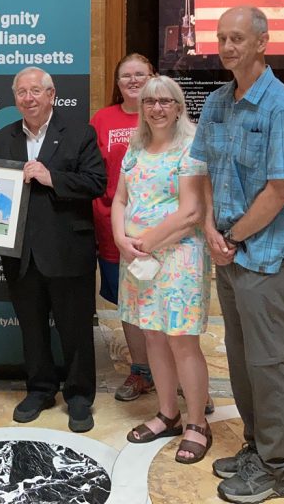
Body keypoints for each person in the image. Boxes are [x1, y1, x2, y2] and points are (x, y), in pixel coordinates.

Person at [191, 7, 284, 503]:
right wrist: (208, 230)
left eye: (238, 38)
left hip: (264, 256)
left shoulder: (280, 107)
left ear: (263, 43)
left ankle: (276, 467)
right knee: (242, 361)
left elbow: (280, 190)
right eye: (222, 38)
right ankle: (254, 445)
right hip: (227, 252)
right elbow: (201, 171)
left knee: (270, 364)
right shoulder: (219, 102)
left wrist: (234, 238)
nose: (227, 46)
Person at [0, 67, 106, 432]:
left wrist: (50, 177)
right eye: (22, 92)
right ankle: (39, 389)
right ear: (15, 98)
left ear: (52, 95)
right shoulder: (1, 138)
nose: (28, 98)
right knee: (32, 328)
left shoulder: (80, 133)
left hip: (68, 250)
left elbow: (96, 183)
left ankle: (80, 396)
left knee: (75, 330)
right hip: (21, 255)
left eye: (36, 91)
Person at [111, 76, 212, 464]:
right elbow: (120, 199)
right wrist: (122, 238)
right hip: (139, 260)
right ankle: (167, 414)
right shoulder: (135, 148)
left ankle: (197, 423)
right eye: (150, 101)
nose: (156, 108)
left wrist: (146, 242)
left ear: (178, 106)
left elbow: (191, 213)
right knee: (153, 336)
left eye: (165, 101)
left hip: (178, 257)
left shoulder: (191, 147)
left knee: (181, 340)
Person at [90, 53, 156, 401]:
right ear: (117, 84)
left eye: (140, 74)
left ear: (153, 77)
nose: (132, 81)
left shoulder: (163, 115)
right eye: (125, 76)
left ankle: (176, 372)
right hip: (113, 228)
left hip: (159, 233)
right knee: (128, 305)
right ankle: (141, 371)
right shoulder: (102, 119)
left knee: (163, 303)